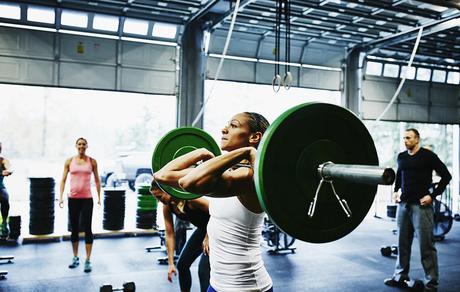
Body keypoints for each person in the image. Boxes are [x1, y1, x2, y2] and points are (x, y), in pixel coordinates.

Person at [154, 112, 273, 292]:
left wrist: (248, 152)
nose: (224, 129)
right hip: (218, 285)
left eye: (233, 125)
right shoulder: (229, 175)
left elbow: (187, 182)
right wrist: (200, 152)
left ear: (254, 137)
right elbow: (161, 175)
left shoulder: (248, 178)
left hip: (246, 287)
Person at [384, 129, 452, 292]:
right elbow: (399, 177)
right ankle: (400, 276)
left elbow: (446, 176)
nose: (405, 141)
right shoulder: (402, 157)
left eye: (408, 138)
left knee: (426, 245)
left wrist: (432, 195)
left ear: (417, 139)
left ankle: (431, 282)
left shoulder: (428, 156)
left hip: (422, 207)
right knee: (402, 243)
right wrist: (396, 191)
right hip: (404, 206)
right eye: (404, 138)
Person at [150, 181, 210, 292]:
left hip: (216, 230)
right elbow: (169, 234)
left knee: (204, 270)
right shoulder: (167, 206)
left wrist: (209, 236)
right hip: (202, 230)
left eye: (159, 196)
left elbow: (215, 213)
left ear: (167, 190)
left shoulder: (191, 200)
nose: (159, 200)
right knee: (182, 265)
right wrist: (171, 263)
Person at [59, 137, 101, 273]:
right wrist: (60, 197)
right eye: (79, 144)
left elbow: (97, 180)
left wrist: (100, 197)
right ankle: (75, 257)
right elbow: (63, 180)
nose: (81, 146)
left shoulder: (92, 161)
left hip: (87, 199)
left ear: (87, 146)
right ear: (76, 146)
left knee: (88, 228)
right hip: (73, 199)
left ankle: (88, 260)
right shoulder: (69, 161)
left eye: (84, 144)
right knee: (75, 228)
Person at [0, 142, 13, 237]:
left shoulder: (2, 160)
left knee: (5, 198)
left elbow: (10, 168)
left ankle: (4, 223)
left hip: (0, 187)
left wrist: (8, 171)